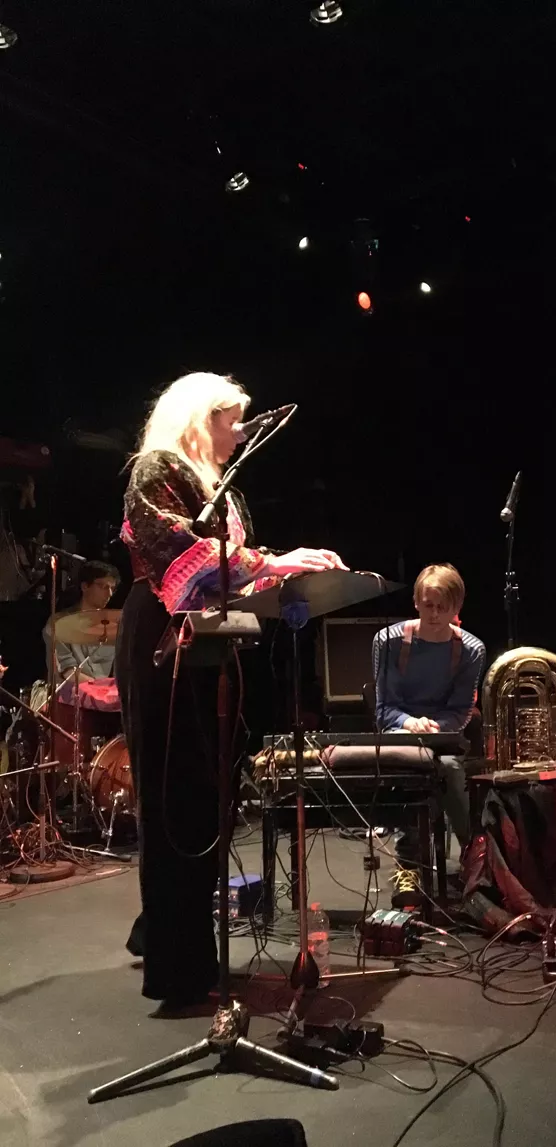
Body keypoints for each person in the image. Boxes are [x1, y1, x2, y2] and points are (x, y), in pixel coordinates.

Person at [118, 371, 346, 1011]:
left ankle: (184, 947)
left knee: (206, 799)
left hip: (207, 644)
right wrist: (273, 563)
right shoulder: (157, 470)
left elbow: (230, 571)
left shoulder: (224, 489)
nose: (241, 434)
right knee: (174, 797)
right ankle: (178, 972)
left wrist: (286, 572)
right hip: (162, 638)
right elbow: (180, 552)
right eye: (232, 421)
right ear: (199, 418)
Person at [372, 563, 485, 906]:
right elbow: (384, 708)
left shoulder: (471, 649)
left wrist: (434, 727)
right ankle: (412, 865)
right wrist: (410, 722)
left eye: (442, 607)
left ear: (457, 608)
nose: (434, 614)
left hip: (442, 735)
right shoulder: (388, 642)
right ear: (416, 602)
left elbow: (462, 710)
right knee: (421, 765)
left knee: (445, 766)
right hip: (401, 732)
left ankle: (472, 855)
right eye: (428, 605)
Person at [43, 560, 120, 682]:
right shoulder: (60, 623)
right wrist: (97, 689)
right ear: (85, 586)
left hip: (102, 690)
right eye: (103, 587)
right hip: (70, 690)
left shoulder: (113, 626)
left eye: (112, 588)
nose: (109, 594)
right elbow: (68, 672)